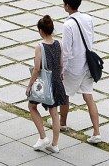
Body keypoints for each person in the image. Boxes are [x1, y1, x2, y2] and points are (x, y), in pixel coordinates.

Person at [60, 0, 102, 144]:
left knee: (65, 95)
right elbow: (90, 39)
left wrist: (61, 70)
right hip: (88, 65)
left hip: (74, 66)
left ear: (67, 6)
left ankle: (62, 123)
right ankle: (96, 132)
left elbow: (66, 51)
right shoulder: (88, 18)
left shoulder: (68, 24)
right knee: (88, 96)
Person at [27, 15, 66, 153]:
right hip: (56, 81)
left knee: (32, 106)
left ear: (41, 31)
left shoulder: (39, 46)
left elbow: (37, 69)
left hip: (44, 83)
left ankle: (43, 136)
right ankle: (54, 144)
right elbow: (61, 64)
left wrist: (29, 85)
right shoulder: (59, 43)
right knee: (54, 113)